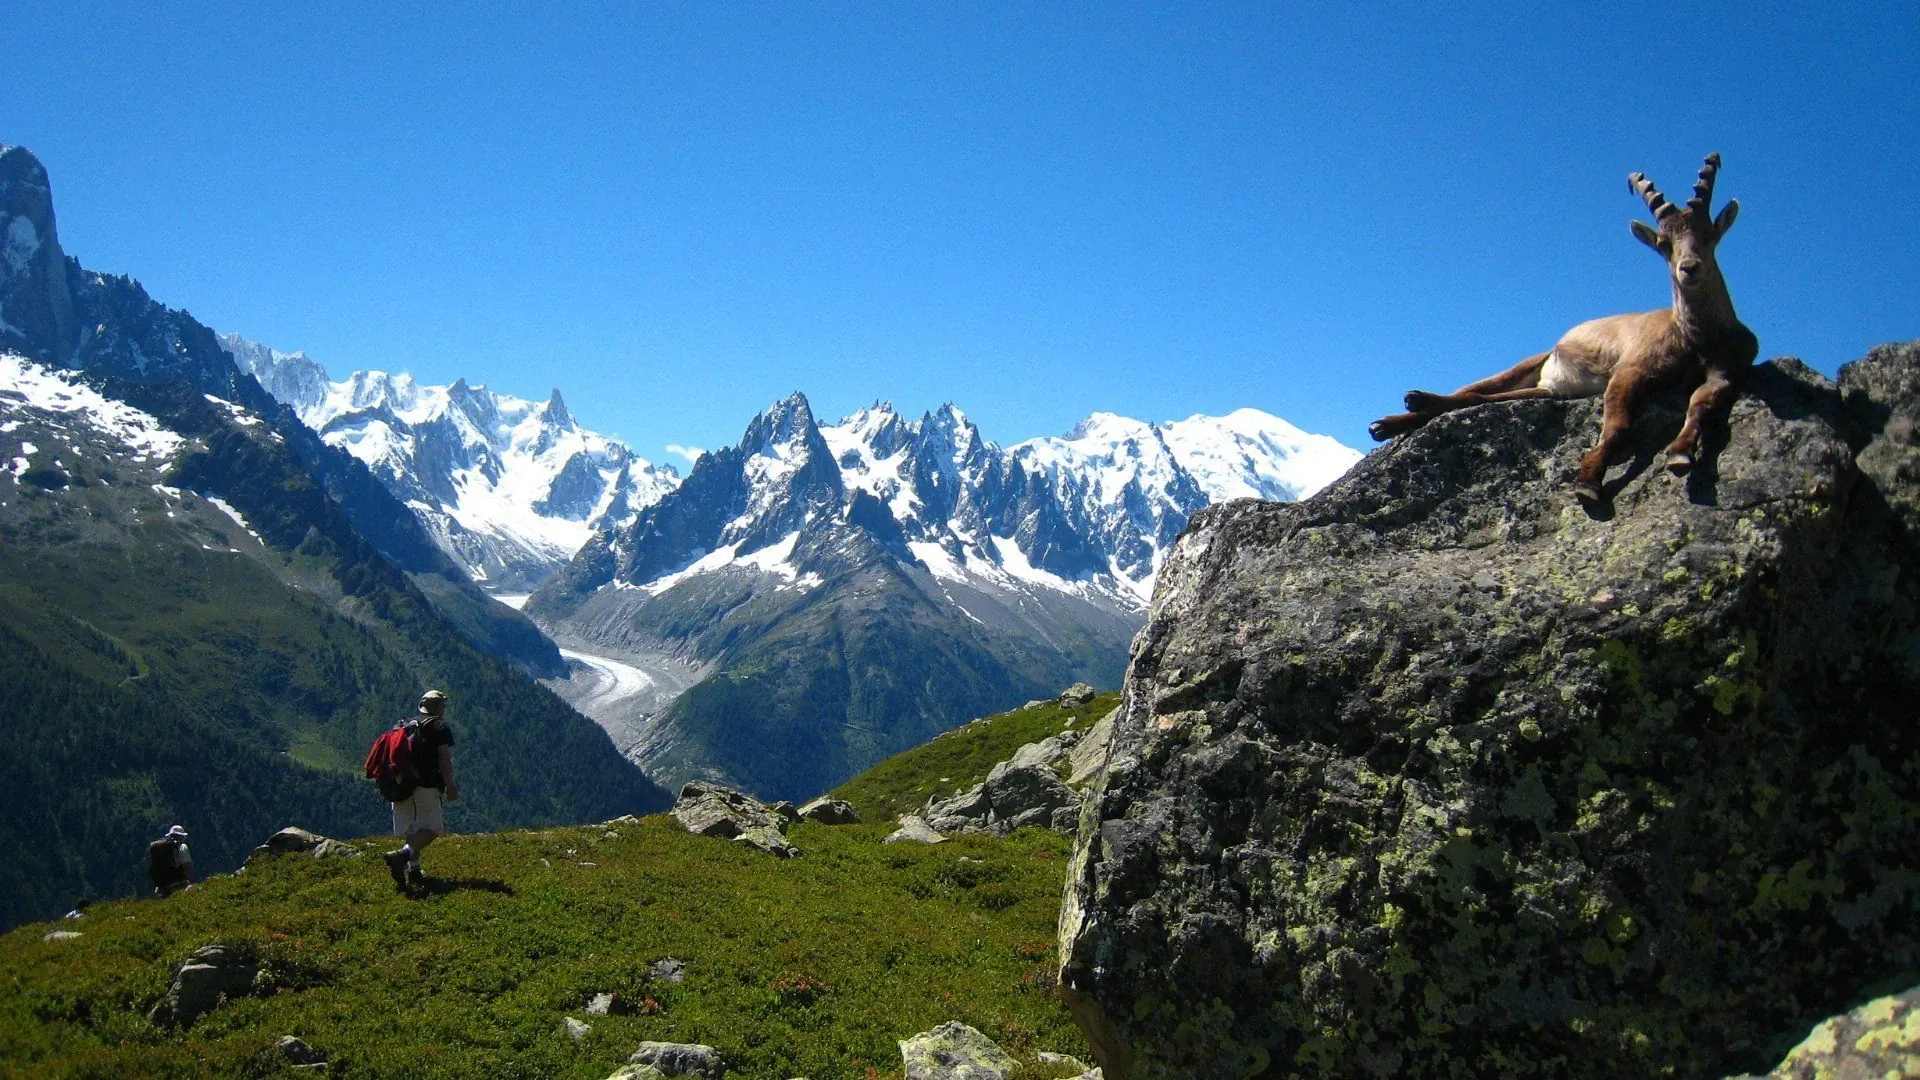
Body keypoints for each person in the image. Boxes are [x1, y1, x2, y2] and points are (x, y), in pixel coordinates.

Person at [383, 689, 457, 891]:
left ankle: (413, 870)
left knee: (413, 830)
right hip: (426, 785)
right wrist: (450, 785)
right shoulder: (439, 726)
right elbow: (444, 759)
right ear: (439, 708)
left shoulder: (406, 725)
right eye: (443, 706)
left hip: (400, 784)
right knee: (433, 829)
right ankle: (402, 855)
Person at [147, 825, 194, 897]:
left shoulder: (159, 849)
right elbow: (187, 867)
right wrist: (191, 882)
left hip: (161, 887)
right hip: (178, 885)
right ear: (182, 836)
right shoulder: (182, 847)